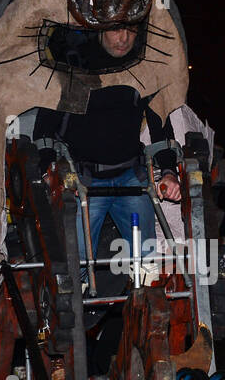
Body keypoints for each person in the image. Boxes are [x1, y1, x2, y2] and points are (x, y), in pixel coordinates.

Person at [31, 22, 182, 274]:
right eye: (116, 29)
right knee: (75, 267)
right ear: (99, 29)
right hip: (83, 182)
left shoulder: (142, 72)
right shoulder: (73, 66)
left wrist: (168, 172)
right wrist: (47, 172)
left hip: (131, 179)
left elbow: (160, 128)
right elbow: (44, 130)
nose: (124, 38)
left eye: (132, 30)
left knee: (147, 267)